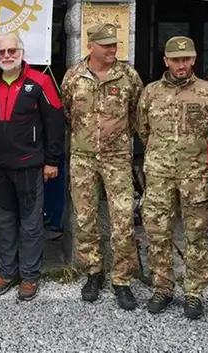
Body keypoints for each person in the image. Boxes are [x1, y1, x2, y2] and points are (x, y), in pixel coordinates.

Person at [137, 36, 208, 319]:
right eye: (175, 60)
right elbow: (142, 130)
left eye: (186, 59)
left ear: (194, 59)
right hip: (159, 175)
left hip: (196, 177)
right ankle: (163, 287)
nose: (181, 65)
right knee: (157, 234)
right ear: (166, 61)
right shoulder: (150, 92)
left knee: (196, 237)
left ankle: (194, 293)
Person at [60, 23, 143, 310]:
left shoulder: (129, 76)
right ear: (90, 46)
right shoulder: (73, 77)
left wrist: (116, 139)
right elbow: (68, 112)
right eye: (105, 45)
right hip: (83, 158)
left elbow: (136, 115)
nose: (111, 49)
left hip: (118, 158)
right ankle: (93, 272)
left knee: (122, 219)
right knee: (85, 219)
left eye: (114, 45)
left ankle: (122, 280)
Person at [0, 33, 63, 301]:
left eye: (12, 50)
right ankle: (7, 271)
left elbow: (55, 122)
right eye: (2, 52)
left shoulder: (40, 81)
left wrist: (52, 160)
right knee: (4, 222)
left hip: (30, 166)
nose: (7, 55)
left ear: (22, 53)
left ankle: (29, 275)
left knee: (31, 223)